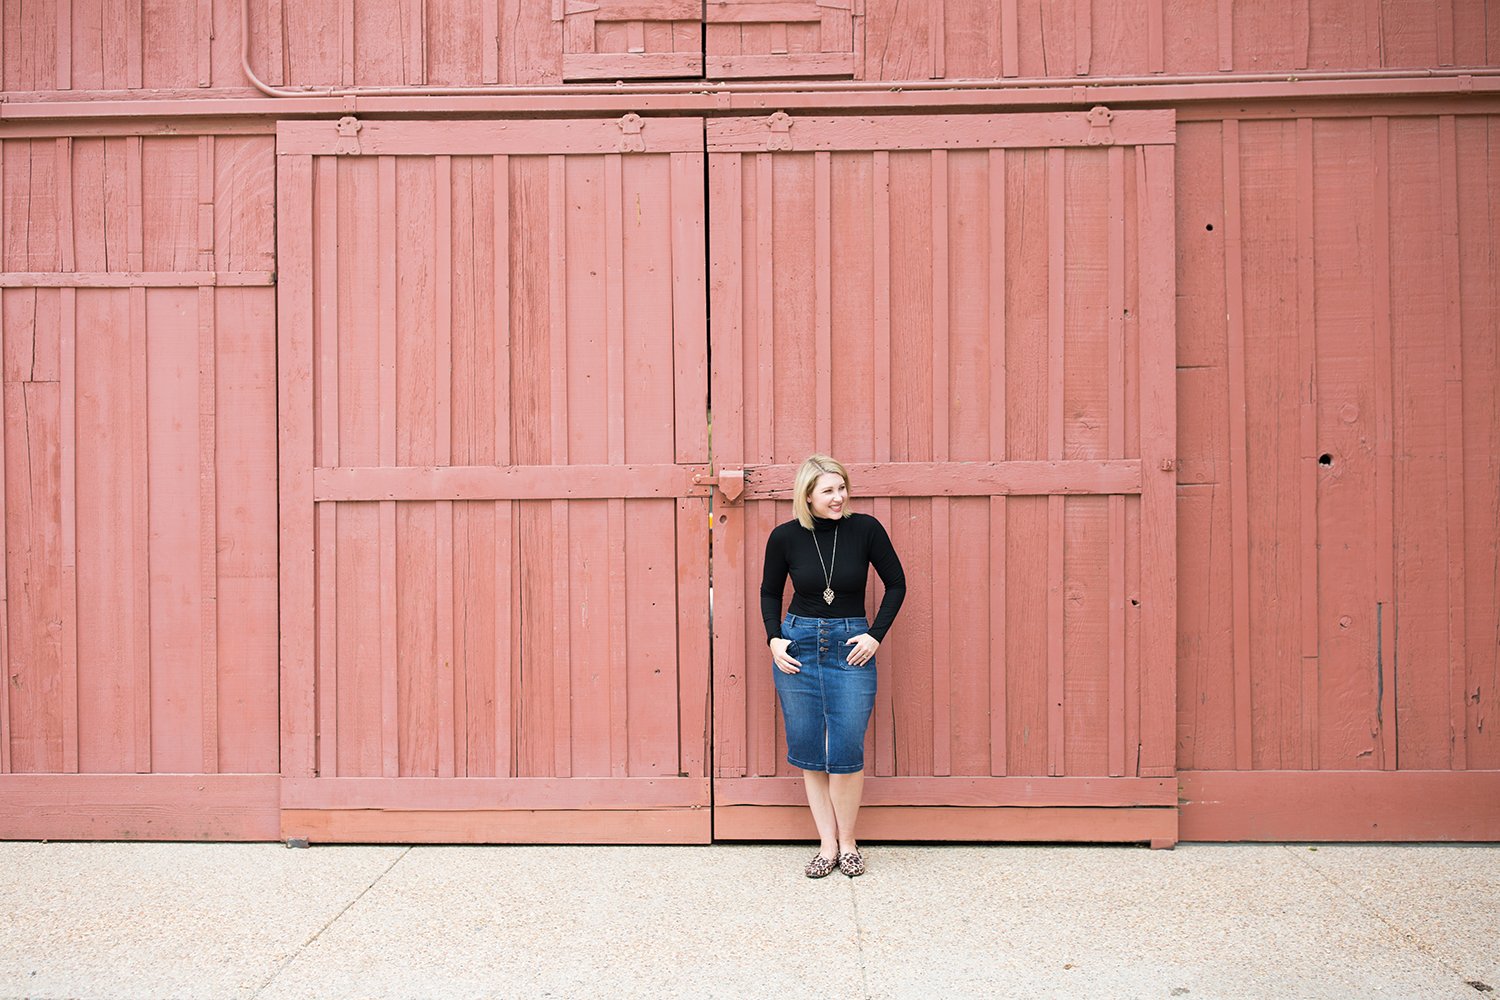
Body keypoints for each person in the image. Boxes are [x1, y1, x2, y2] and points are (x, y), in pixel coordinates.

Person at [761, 454, 906, 878]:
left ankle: (849, 842)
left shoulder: (865, 530)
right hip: (798, 645)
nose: (839, 497)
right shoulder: (784, 537)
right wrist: (774, 638)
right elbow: (770, 592)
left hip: (850, 645)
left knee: (845, 748)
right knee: (808, 748)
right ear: (807, 495)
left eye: (842, 487)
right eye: (828, 490)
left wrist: (875, 634)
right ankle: (826, 845)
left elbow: (896, 583)